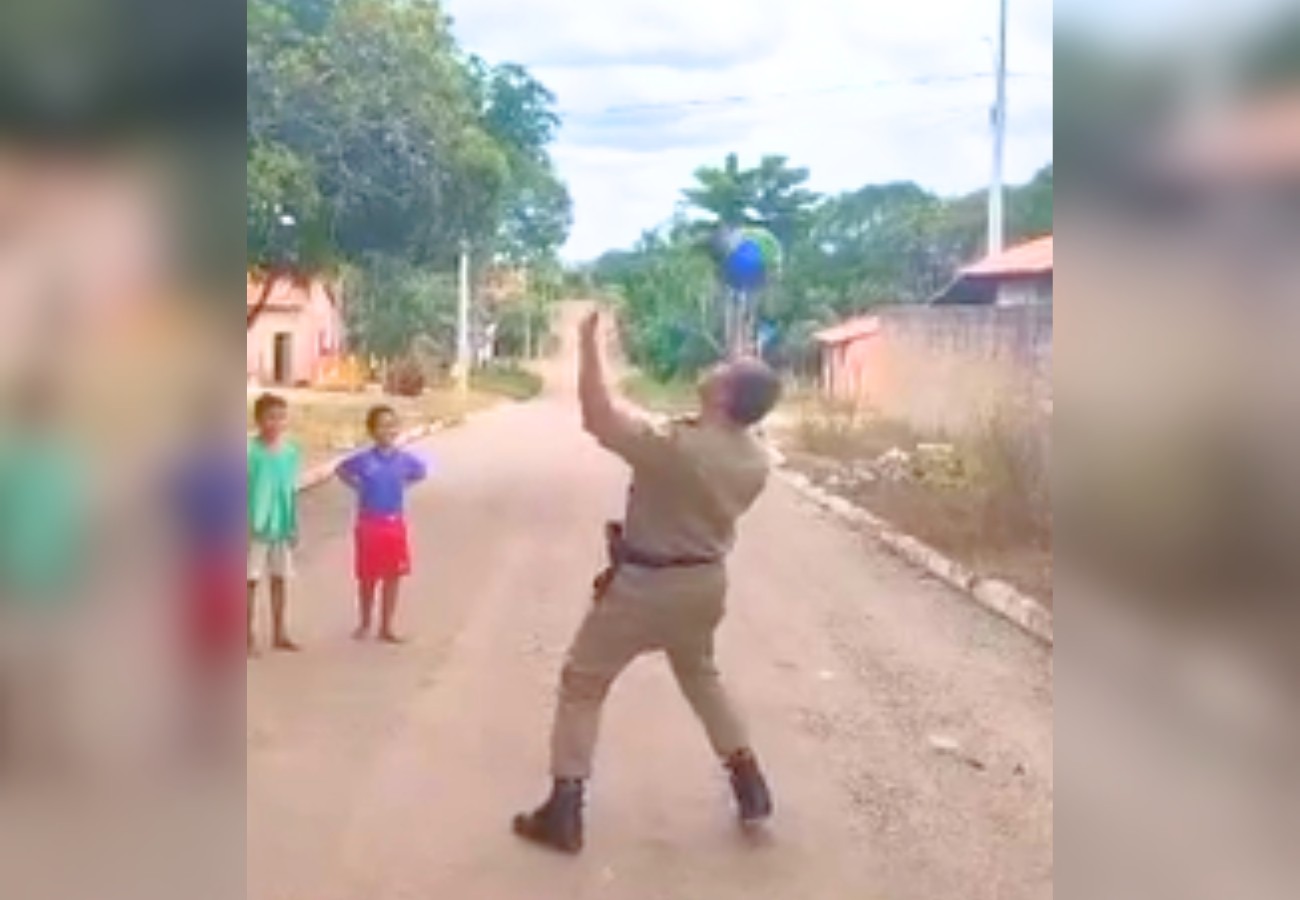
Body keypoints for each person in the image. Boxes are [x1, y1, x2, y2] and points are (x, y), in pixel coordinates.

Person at [513, 310, 784, 854]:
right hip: (704, 584)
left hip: (644, 583)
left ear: (725, 397)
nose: (714, 365)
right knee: (701, 675)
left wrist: (589, 345)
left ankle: (565, 808)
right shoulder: (754, 458)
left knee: (583, 683)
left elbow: (598, 416)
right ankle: (748, 780)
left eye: (725, 368)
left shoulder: (677, 449)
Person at [335, 405, 428, 642]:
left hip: (393, 524)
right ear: (372, 431)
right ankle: (365, 621)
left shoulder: (404, 460)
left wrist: (403, 486)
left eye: (392, 425)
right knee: (367, 577)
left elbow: (420, 472)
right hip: (369, 524)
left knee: (392, 576)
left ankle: (387, 626)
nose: (388, 430)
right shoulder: (364, 460)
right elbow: (341, 470)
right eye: (382, 425)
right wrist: (357, 487)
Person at [247, 392, 301, 655]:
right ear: (258, 420)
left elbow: (291, 489)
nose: (276, 423)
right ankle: (247, 635)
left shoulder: (290, 452)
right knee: (250, 581)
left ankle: (280, 632)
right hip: (254, 525)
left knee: (279, 579)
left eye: (281, 417)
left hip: (281, 524)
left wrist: (294, 524)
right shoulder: (248, 451)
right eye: (270, 418)